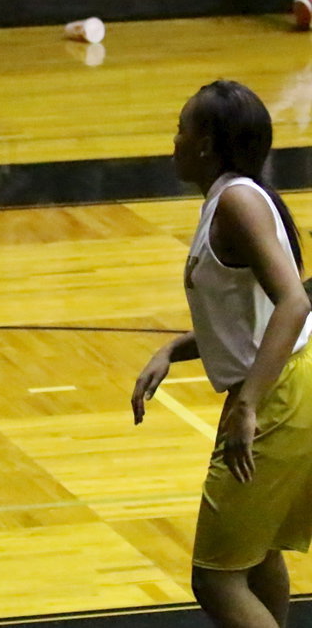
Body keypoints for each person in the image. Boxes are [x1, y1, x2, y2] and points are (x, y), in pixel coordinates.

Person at [132, 80, 312, 628]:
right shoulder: (236, 197)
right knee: (256, 554)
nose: (174, 141)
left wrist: (248, 404)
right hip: (290, 384)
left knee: (214, 577)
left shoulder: (236, 203)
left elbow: (293, 301)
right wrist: (174, 348)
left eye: (181, 129)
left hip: (280, 394)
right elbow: (249, 317)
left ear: (207, 143)